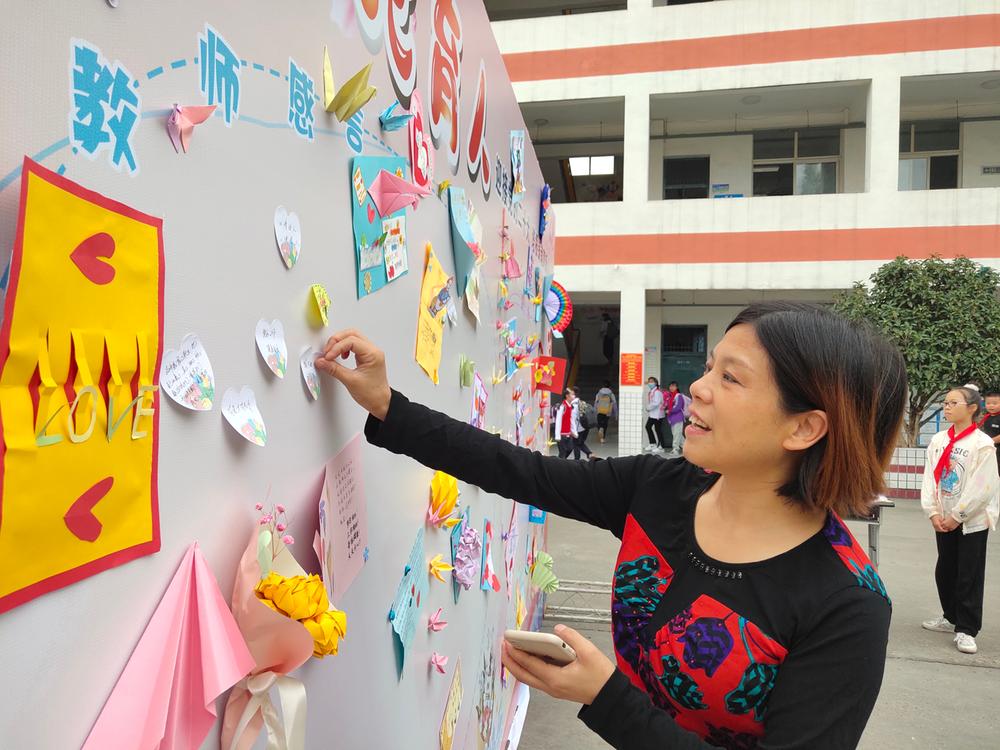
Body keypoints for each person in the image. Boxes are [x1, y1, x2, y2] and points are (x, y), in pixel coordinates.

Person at [314, 301, 905, 749]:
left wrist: (604, 695)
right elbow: (523, 472)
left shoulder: (846, 605)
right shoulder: (660, 489)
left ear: (804, 429)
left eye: (731, 378)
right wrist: (389, 404)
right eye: (708, 368)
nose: (695, 389)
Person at [920, 385, 999, 655]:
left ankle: (966, 629)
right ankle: (950, 616)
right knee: (946, 570)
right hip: (943, 516)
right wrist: (932, 511)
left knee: (969, 574)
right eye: (945, 402)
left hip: (971, 520)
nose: (947, 406)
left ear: (972, 408)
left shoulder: (982, 444)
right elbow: (931, 476)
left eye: (954, 402)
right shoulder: (939, 440)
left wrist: (958, 516)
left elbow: (983, 486)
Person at [554, 388, 580, 459]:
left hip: (568, 434)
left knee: (570, 448)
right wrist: (557, 435)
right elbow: (558, 421)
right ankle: (560, 464)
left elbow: (571, 420)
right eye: (572, 394)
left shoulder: (570, 406)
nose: (574, 396)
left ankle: (560, 462)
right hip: (562, 435)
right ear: (567, 396)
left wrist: (574, 432)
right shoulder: (562, 406)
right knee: (563, 452)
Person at [978, 389, 1000, 473]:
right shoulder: (986, 417)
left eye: (994, 403)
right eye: (988, 403)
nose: (991, 406)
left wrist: (989, 441)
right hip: (989, 450)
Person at [644, 376, 667, 453]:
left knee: (658, 430)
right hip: (653, 414)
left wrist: (648, 408)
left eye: (651, 381)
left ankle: (661, 447)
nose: (650, 383)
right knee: (648, 427)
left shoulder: (657, 392)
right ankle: (653, 443)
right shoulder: (652, 391)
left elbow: (656, 403)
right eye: (649, 381)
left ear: (656, 383)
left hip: (658, 415)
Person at [666, 381, 686, 457]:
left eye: (673, 386)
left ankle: (675, 449)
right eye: (670, 386)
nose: (671, 387)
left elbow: (678, 407)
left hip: (678, 417)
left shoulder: (678, 396)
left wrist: (669, 410)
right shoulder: (670, 396)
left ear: (677, 387)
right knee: (678, 435)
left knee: (676, 434)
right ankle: (687, 448)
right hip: (672, 418)